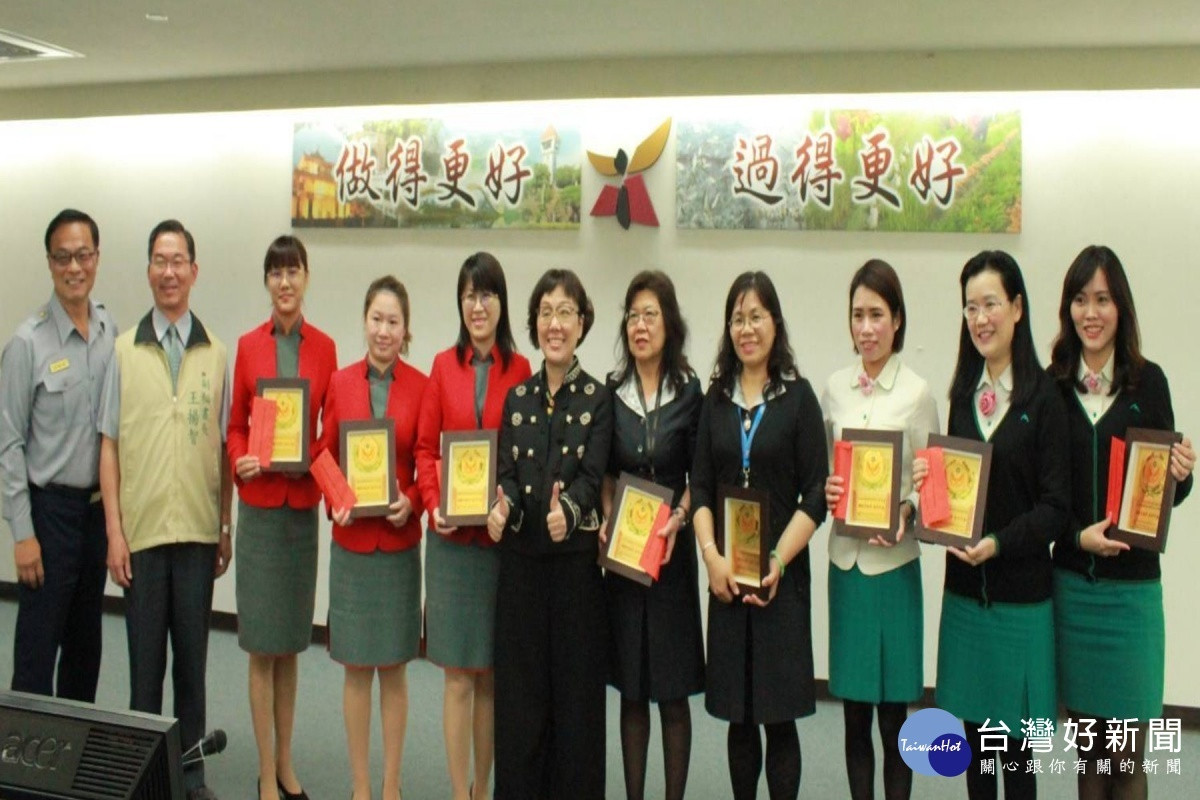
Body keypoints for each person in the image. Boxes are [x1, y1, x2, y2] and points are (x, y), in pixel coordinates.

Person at [915, 250, 1070, 800]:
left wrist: (999, 543)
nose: (980, 319)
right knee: (977, 753)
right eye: (970, 308)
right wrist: (926, 488)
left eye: (991, 305)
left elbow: (1056, 507)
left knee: (1019, 760)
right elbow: (954, 495)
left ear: (1017, 308)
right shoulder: (962, 395)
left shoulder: (1045, 397)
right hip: (964, 598)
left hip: (1021, 603)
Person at [1047, 245, 1194, 800]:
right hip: (1073, 593)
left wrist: (1182, 474)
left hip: (1132, 600)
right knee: (1089, 758)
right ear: (1068, 308)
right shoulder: (1052, 387)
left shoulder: (1149, 383)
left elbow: (1167, 493)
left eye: (1103, 300)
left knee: (1128, 757)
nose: (1091, 313)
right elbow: (1043, 496)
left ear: (1121, 307)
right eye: (1080, 300)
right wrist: (1074, 537)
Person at [98, 219, 232, 800]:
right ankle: (145, 777)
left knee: (192, 667)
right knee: (145, 667)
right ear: (149, 270)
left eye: (179, 261)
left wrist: (224, 526)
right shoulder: (123, 350)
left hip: (198, 534)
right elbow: (108, 444)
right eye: (160, 260)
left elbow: (225, 448)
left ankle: (191, 774)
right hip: (144, 535)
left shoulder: (216, 353)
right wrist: (114, 532)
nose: (169, 271)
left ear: (194, 271)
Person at [690, 271, 827, 800]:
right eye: (737, 319)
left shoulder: (798, 398)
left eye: (756, 317)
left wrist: (778, 560)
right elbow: (700, 487)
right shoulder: (716, 399)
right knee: (739, 718)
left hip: (780, 579)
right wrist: (711, 558)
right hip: (727, 576)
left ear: (775, 323)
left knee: (779, 717)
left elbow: (815, 495)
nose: (746, 329)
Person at [487, 268, 613, 800]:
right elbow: (507, 477)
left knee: (576, 707)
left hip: (575, 577)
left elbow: (592, 477)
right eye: (545, 312)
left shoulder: (599, 398)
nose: (554, 324)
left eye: (565, 312)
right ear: (534, 322)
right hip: (520, 575)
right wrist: (503, 510)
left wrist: (571, 510)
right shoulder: (516, 397)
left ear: (581, 323)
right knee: (521, 705)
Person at [414, 252, 531, 800]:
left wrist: (507, 503)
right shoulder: (443, 366)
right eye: (468, 295)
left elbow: (525, 456)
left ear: (501, 302)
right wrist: (433, 502)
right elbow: (424, 449)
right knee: (457, 676)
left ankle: (484, 789)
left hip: (499, 545)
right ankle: (460, 793)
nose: (477, 305)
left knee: (490, 676)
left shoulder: (521, 369)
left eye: (486, 294)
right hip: (452, 546)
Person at [821, 260, 938, 800]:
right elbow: (826, 471)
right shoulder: (833, 389)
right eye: (857, 315)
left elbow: (934, 489)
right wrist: (828, 489)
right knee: (853, 719)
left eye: (876, 315)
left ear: (897, 320)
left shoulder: (917, 393)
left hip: (893, 570)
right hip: (846, 567)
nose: (866, 328)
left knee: (894, 721)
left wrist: (908, 509)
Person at [226, 236, 337, 800]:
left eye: (293, 271)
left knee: (291, 643)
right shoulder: (248, 347)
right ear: (267, 282)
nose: (285, 282)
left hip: (300, 516)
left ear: (306, 277)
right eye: (276, 273)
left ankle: (286, 762)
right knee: (261, 647)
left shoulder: (325, 349)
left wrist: (331, 484)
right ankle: (265, 772)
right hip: (261, 512)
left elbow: (328, 433)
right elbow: (236, 427)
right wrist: (240, 459)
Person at [1, 209, 116, 701]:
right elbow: (9, 442)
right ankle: (22, 749)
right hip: (49, 517)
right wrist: (22, 533)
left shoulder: (108, 329)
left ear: (97, 258)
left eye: (83, 255)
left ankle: (74, 749)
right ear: (50, 263)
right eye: (63, 257)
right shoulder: (27, 343)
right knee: (37, 649)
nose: (74, 267)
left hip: (95, 515)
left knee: (85, 649)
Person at [318, 276, 426, 800]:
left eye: (393, 322)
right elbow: (322, 453)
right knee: (357, 670)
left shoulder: (422, 386)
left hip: (399, 548)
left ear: (406, 330)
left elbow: (427, 459)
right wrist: (335, 499)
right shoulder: (339, 383)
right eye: (376, 319)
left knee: (395, 670)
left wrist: (415, 500)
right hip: (354, 548)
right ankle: (361, 786)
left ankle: (391, 785)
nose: (384, 331)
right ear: (364, 322)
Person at [600, 270, 704, 800]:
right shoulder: (611, 392)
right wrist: (607, 518)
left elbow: (699, 476)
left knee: (672, 693)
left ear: (669, 324)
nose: (640, 326)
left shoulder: (689, 392)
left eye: (650, 315)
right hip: (624, 560)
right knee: (632, 691)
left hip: (669, 556)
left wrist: (679, 518)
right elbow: (604, 474)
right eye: (633, 316)